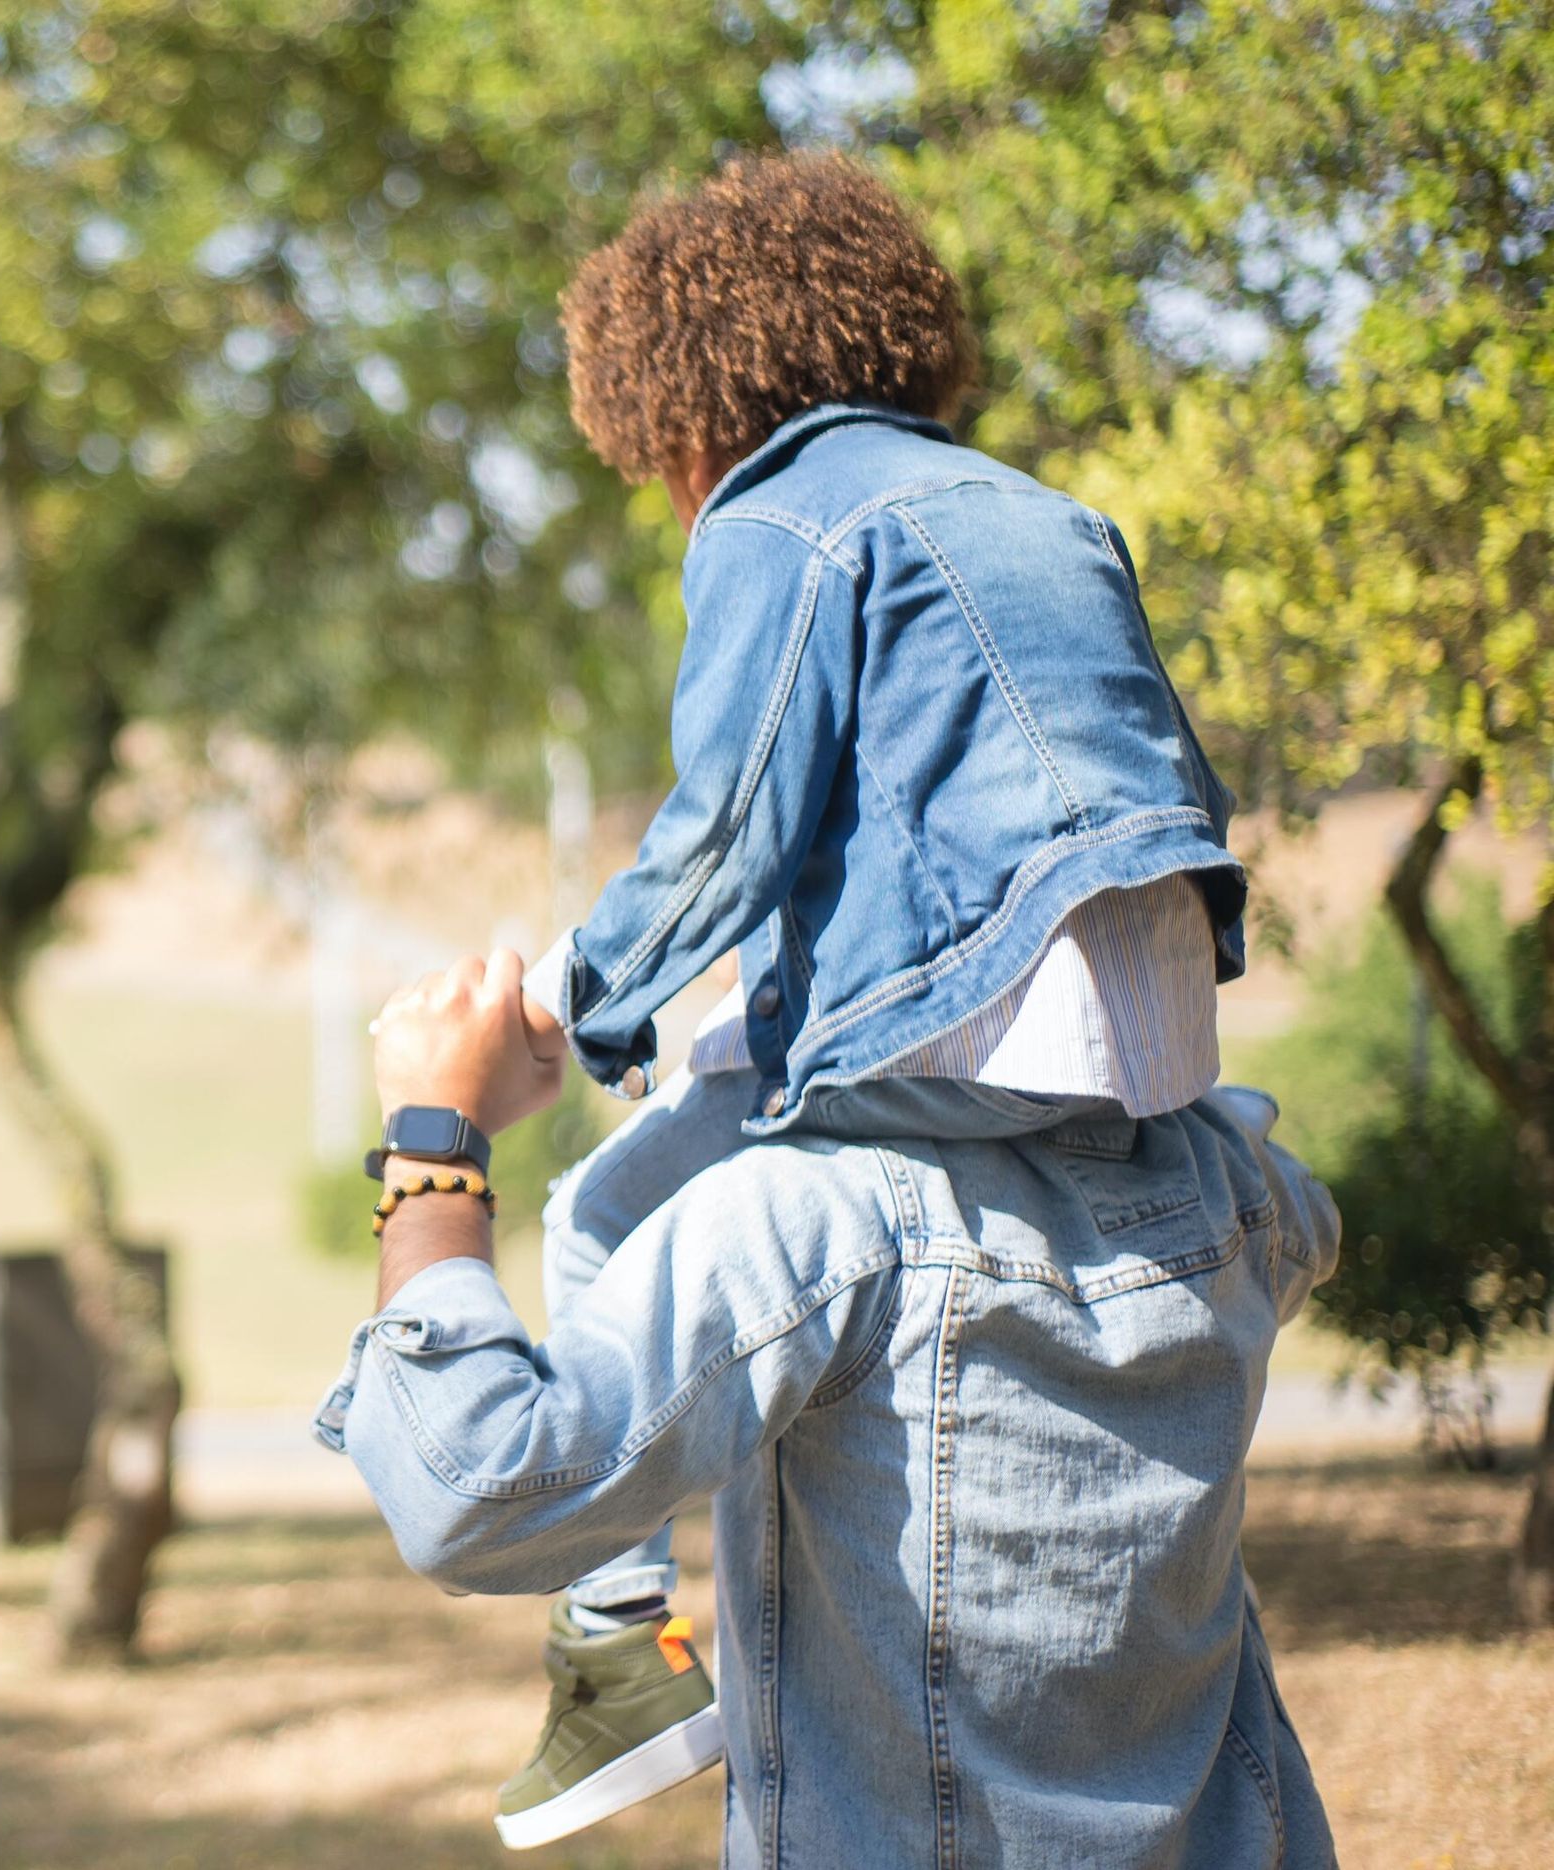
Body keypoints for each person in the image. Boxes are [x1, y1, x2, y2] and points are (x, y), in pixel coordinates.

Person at [425, 149, 1247, 1845]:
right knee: (716, 1093)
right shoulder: (1049, 515)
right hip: (1142, 1042)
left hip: (958, 1028)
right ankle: (619, 1656)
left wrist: (576, 1011)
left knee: (606, 1202)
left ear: (684, 410)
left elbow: (732, 816)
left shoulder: (781, 517)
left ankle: (613, 1654)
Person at [316, 950, 1341, 1868]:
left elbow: (476, 1485)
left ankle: (613, 1630)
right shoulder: (1231, 1183)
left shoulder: (812, 1214)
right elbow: (1310, 1220)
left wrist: (431, 1140)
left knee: (593, 1208)